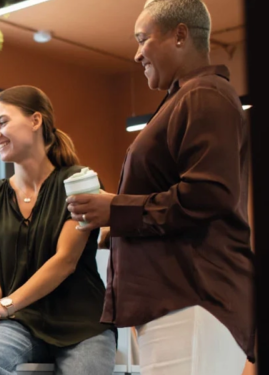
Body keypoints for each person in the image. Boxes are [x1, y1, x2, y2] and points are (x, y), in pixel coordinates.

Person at [66, 1, 255, 374]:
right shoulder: (183, 99)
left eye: (142, 39)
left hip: (193, 298)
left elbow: (209, 195)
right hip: (175, 300)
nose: (136, 54)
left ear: (180, 35)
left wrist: (116, 210)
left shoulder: (204, 96)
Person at [0, 86, 116, 375]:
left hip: (82, 323)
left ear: (36, 121)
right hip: (20, 322)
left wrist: (7, 304)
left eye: (2, 122)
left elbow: (65, 261)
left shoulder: (78, 181)